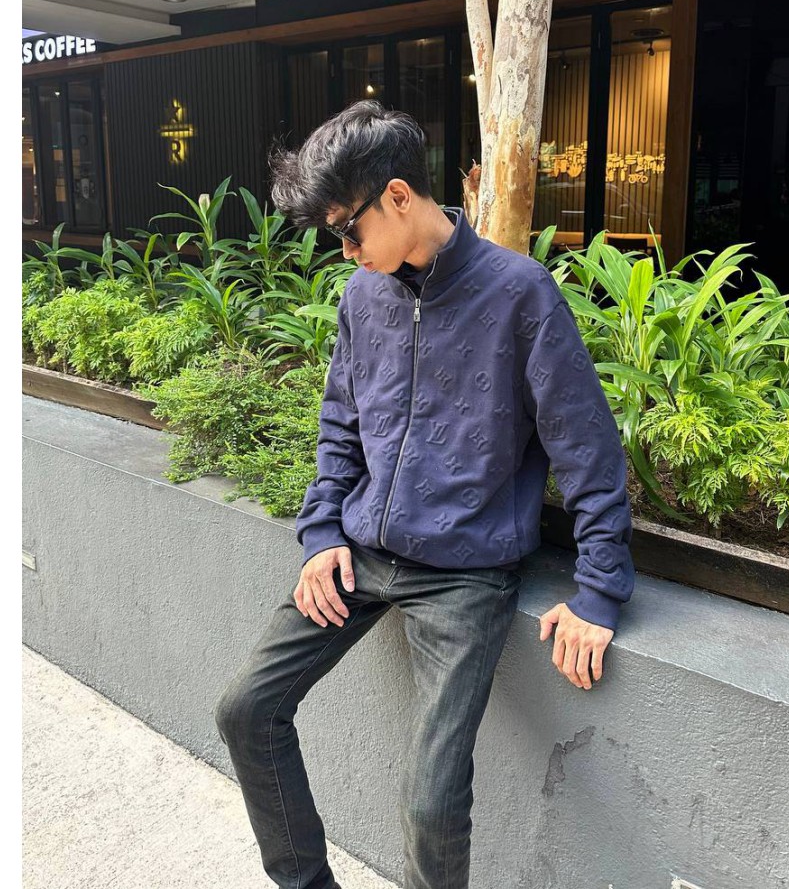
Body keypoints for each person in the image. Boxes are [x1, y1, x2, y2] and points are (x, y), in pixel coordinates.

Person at [214, 100, 634, 889]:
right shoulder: (362, 296)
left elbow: (587, 448)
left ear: (399, 196)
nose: (345, 252)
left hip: (465, 574)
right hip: (360, 555)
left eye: (349, 231)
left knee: (431, 802)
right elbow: (340, 426)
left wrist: (600, 590)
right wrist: (322, 534)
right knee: (246, 708)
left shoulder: (520, 294)